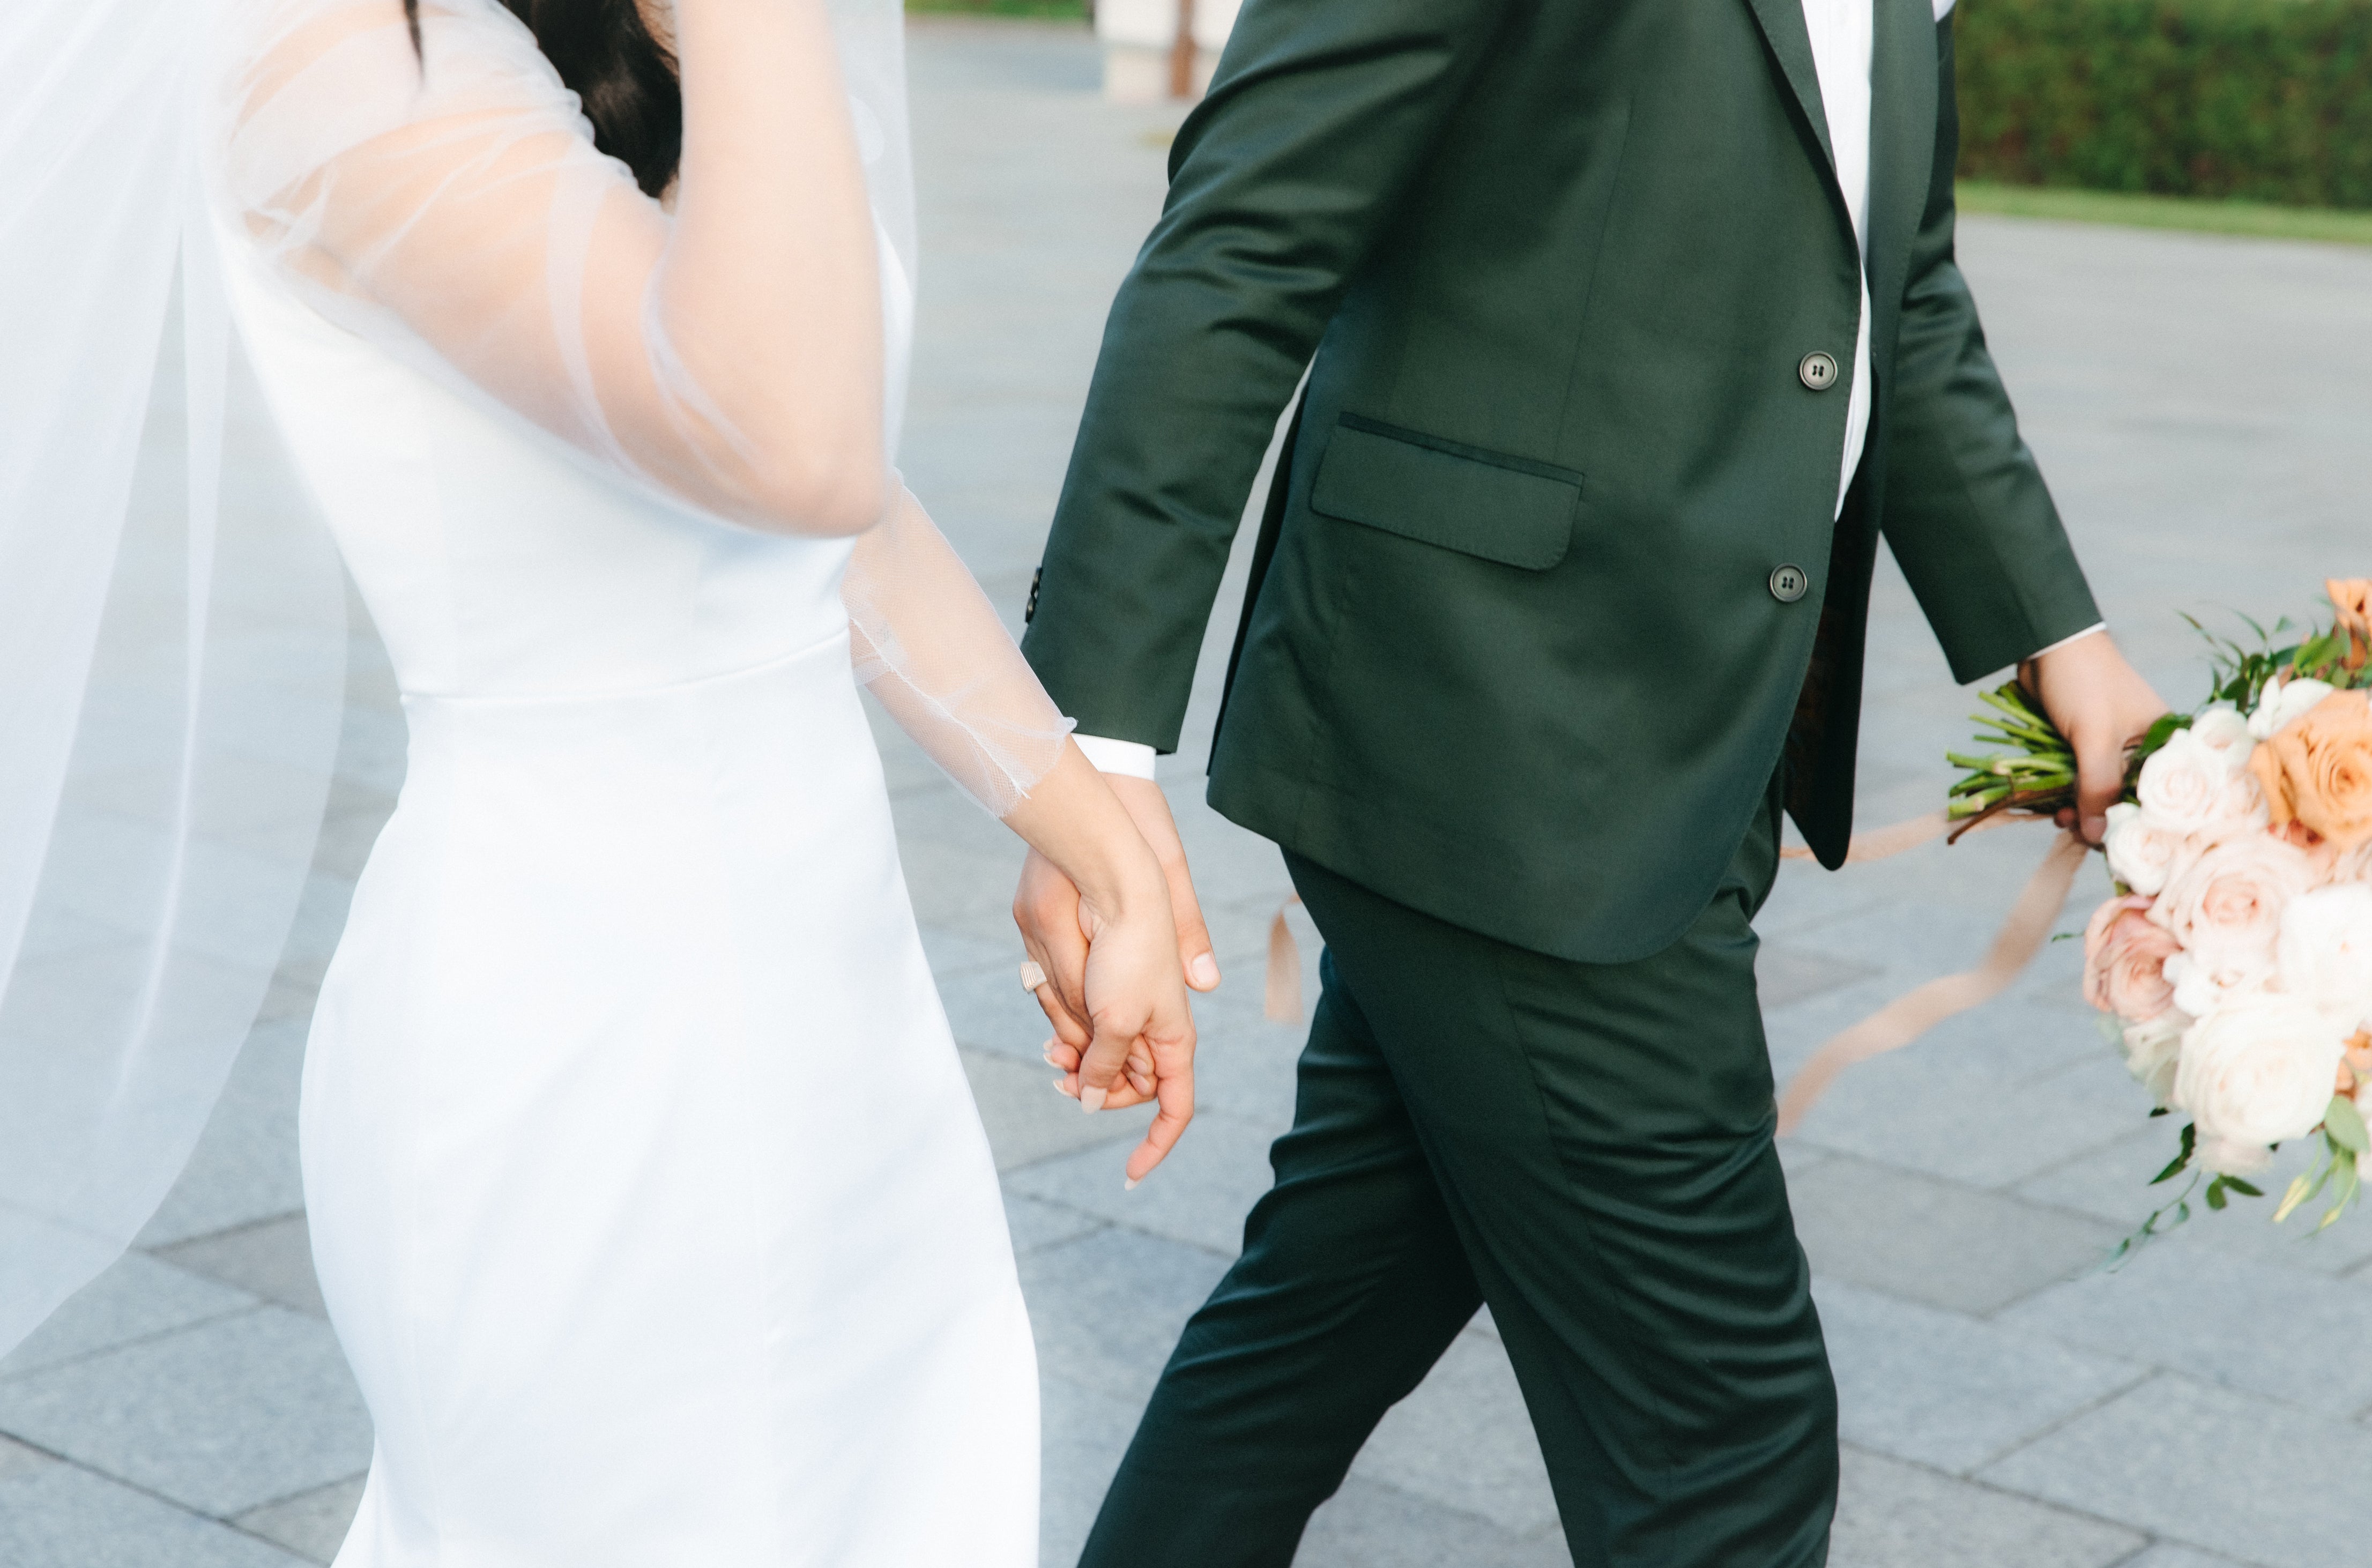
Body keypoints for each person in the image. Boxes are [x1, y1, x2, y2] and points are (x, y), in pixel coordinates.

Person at [0, 0, 1196, 1562]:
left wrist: (1095, 841)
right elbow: (788, 443)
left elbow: (841, 525)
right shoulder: (337, 51)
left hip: (829, 1007)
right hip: (589, 1026)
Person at [1014, 0, 2168, 1563]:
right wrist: (1081, 768)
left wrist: (2055, 631)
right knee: (1723, 1444)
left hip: (1683, 730)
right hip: (1492, 732)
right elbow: (1242, 248)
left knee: (1324, 1315)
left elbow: (1893, 285)